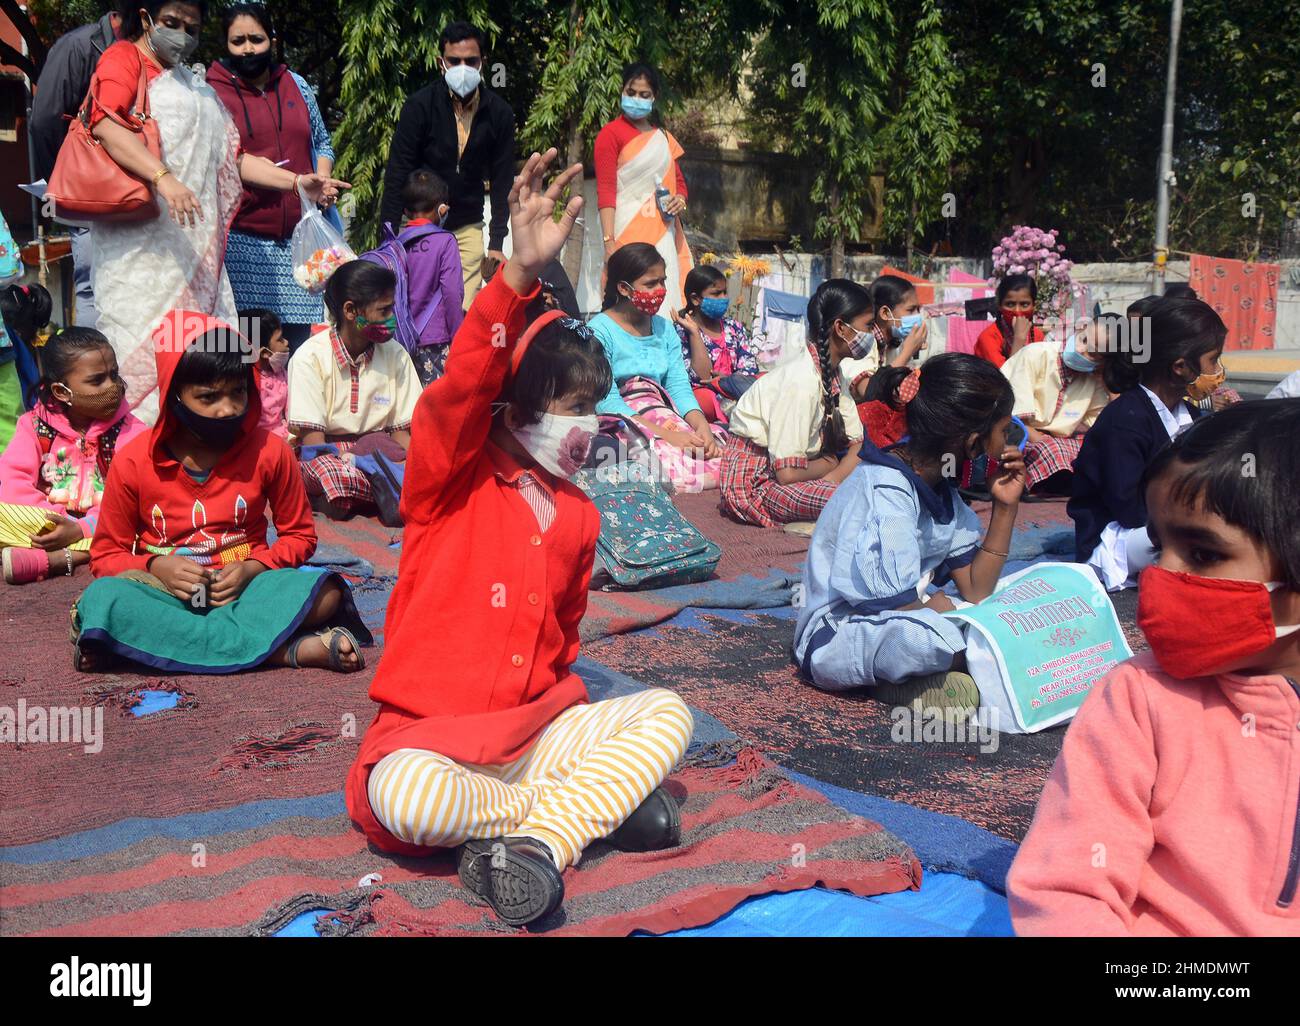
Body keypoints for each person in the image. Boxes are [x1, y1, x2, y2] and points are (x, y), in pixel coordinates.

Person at [346, 150, 694, 928]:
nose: (584, 426)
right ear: (512, 408)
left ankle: (536, 836)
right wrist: (514, 278)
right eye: (570, 406)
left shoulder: (580, 514)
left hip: (536, 732)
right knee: (406, 797)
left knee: (667, 714)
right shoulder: (451, 475)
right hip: (432, 742)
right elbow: (461, 387)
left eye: (591, 408)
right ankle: (573, 818)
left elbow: (564, 647)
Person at [1009, 400, 1300, 936]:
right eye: (1161, 546)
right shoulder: (1139, 698)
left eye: (1203, 554)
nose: (1162, 575)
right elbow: (1067, 887)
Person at [86, 1, 348, 422]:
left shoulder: (190, 83)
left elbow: (233, 158)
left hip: (197, 251)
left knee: (207, 359)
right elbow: (104, 124)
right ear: (146, 17)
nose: (182, 35)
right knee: (151, 356)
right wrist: (163, 178)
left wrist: (298, 183)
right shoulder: (123, 60)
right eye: (171, 23)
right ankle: (145, 458)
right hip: (143, 256)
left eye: (191, 27)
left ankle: (213, 449)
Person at [73, 310, 371, 673]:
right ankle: (283, 651)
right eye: (208, 397)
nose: (227, 408)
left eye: (237, 393)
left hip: (247, 592)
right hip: (166, 595)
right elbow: (106, 556)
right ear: (174, 396)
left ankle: (150, 647)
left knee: (326, 594)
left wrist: (252, 568)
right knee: (104, 599)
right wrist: (157, 565)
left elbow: (299, 536)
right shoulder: (134, 461)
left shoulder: (271, 451)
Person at [793, 354, 1025, 711]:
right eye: (1004, 432)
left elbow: (977, 589)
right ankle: (913, 678)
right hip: (839, 634)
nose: (1008, 445)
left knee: (1003, 613)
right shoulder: (886, 491)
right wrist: (935, 612)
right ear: (973, 444)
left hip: (908, 613)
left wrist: (1005, 507)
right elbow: (897, 607)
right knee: (923, 638)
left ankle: (933, 674)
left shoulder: (940, 489)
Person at [208, 3, 341, 351]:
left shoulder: (296, 84)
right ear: (226, 44)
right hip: (244, 244)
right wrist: (297, 184)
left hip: (301, 242)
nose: (248, 48)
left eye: (257, 38)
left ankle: (294, 409)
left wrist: (322, 182)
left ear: (273, 39)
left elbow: (322, 141)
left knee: (298, 350)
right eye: (238, 41)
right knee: (254, 352)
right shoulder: (212, 93)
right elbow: (229, 160)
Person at [1069, 296, 1225, 591]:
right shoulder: (1124, 421)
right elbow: (1129, 510)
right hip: (1116, 540)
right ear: (1180, 366)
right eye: (1212, 360)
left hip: (1171, 525)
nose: (1217, 370)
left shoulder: (1191, 415)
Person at [380, 21, 515, 310]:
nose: (462, 67)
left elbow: (503, 181)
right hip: (419, 225)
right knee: (416, 307)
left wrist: (496, 243)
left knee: (463, 312)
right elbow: (397, 173)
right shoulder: (419, 106)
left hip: (468, 227)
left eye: (471, 61)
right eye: (454, 61)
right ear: (441, 63)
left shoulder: (499, 113)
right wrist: (388, 240)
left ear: (483, 64)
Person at [0, 328, 147, 585]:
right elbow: (13, 485)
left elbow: (134, 496)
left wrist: (81, 528)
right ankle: (76, 550)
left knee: (148, 528)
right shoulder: (33, 426)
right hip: (46, 522)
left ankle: (59, 559)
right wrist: (62, 523)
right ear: (61, 391)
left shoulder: (132, 430)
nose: (113, 387)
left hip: (105, 524)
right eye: (97, 380)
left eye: (114, 375)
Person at [719, 279, 868, 527]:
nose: (871, 335)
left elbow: (858, 444)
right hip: (758, 485)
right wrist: (831, 466)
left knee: (876, 488)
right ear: (841, 328)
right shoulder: (800, 381)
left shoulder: (834, 375)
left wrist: (832, 476)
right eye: (867, 326)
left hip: (806, 473)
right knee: (854, 500)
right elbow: (787, 475)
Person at [287, 261, 421, 519]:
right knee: (331, 474)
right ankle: (386, 493)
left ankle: (374, 493)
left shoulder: (396, 355)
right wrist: (355, 459)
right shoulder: (309, 357)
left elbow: (402, 434)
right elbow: (314, 443)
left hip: (382, 453)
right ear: (350, 310)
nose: (391, 319)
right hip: (331, 456)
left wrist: (415, 464)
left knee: (427, 469)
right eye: (384, 311)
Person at [591, 243, 724, 492]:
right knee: (663, 463)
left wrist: (701, 426)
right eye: (651, 284)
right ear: (623, 288)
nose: (661, 290)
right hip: (624, 420)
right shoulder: (600, 330)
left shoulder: (663, 329)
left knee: (716, 449)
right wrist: (667, 436)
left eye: (662, 281)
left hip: (663, 411)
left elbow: (678, 388)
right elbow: (607, 401)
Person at [29, 3, 122, 329]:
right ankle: (91, 375)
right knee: (93, 290)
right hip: (89, 197)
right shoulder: (78, 47)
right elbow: (43, 121)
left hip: (132, 196)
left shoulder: (146, 50)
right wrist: (60, 187)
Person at [592, 63, 693, 311]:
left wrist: (680, 198)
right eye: (631, 92)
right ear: (622, 91)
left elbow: (679, 183)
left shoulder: (664, 138)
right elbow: (605, 189)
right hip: (624, 233)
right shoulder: (610, 134)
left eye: (644, 95)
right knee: (628, 302)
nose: (636, 99)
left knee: (662, 298)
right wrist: (609, 242)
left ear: (654, 97)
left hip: (662, 233)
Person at [365, 169, 464, 387]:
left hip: (400, 343)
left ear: (405, 210)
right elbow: (451, 292)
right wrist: (460, 337)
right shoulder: (445, 241)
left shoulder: (394, 245)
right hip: (438, 341)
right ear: (442, 208)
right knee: (437, 409)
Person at [999, 315, 1113, 495]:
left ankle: (1058, 480)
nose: (1081, 350)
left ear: (1102, 362)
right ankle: (1054, 482)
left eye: (1092, 353)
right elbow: (1015, 417)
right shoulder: (1036, 354)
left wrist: (1106, 380)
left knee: (1094, 450)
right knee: (1052, 450)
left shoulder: (1093, 380)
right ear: (1079, 329)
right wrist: (1043, 440)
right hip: (1015, 432)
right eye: (1083, 340)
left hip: (1055, 441)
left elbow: (1101, 425)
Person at [669, 265, 760, 423]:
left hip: (736, 392)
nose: (723, 298)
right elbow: (700, 378)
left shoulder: (734, 328)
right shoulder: (681, 331)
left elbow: (749, 370)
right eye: (716, 293)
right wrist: (694, 334)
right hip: (704, 400)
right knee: (706, 397)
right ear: (695, 299)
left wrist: (727, 381)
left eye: (724, 292)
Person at [848, 274, 930, 400]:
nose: (917, 315)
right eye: (911, 310)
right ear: (885, 313)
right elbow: (867, 390)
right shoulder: (863, 342)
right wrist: (907, 353)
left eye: (918, 309)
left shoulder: (891, 344)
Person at [973, 273, 1045, 369]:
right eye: (1010, 304)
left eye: (1024, 304)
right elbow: (1005, 378)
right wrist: (1018, 340)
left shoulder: (1037, 335)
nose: (1017, 311)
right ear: (999, 306)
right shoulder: (988, 337)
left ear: (1034, 306)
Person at [239, 307, 289, 439]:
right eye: (280, 339)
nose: (286, 342)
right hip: (258, 443)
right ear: (264, 352)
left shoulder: (281, 372)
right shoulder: (247, 382)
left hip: (285, 436)